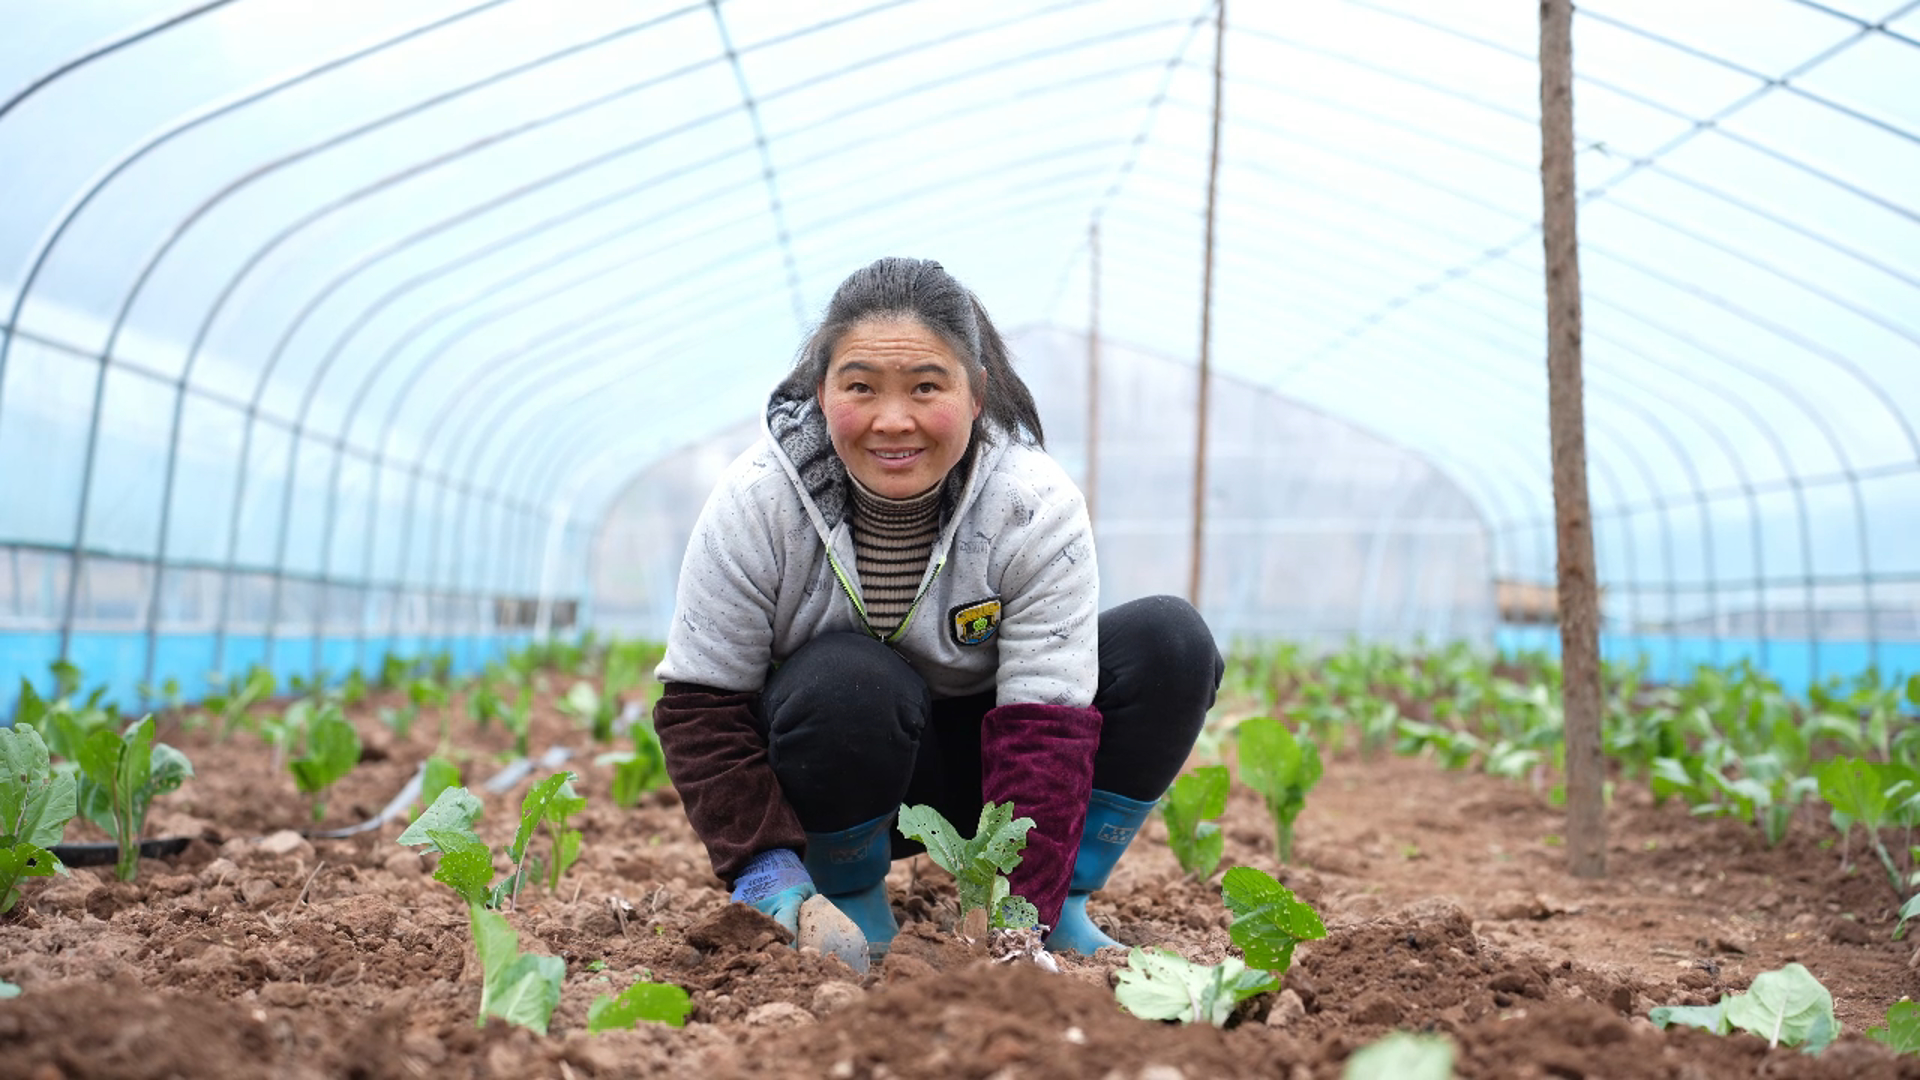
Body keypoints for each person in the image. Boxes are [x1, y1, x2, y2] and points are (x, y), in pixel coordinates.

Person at [652, 256, 1222, 957]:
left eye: (926, 386)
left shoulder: (1031, 504)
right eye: (860, 387)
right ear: (822, 393)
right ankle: (847, 893)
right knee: (848, 678)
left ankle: (1064, 899)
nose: (894, 421)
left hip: (998, 773)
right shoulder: (758, 502)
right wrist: (764, 870)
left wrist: (1021, 922)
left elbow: (1046, 725)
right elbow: (701, 706)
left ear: (977, 394)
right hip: (840, 768)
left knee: (1171, 643)